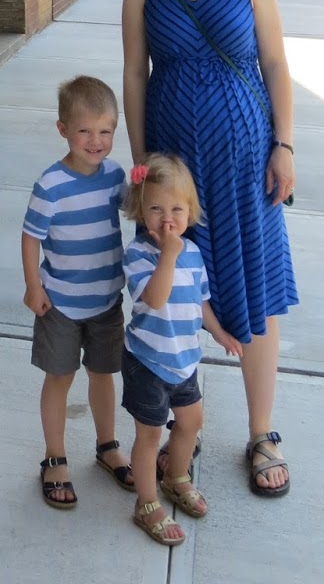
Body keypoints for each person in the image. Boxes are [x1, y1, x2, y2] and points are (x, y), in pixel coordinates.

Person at [121, 0, 297, 497]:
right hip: (174, 172)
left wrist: (284, 145)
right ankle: (179, 431)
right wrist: (140, 167)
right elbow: (134, 77)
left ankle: (261, 433)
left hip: (246, 160)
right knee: (173, 294)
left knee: (252, 286)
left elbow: (276, 64)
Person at [21, 75, 132, 508]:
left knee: (104, 374)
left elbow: (133, 207)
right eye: (85, 130)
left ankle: (107, 447)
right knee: (60, 377)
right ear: (63, 129)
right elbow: (31, 237)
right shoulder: (51, 185)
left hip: (106, 300)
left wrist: (147, 182)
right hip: (60, 302)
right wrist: (34, 285)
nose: (96, 140)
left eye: (105, 131)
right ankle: (55, 458)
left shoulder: (115, 176)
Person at [122, 154, 242, 547]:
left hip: (184, 359)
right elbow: (155, 299)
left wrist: (220, 331)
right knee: (150, 434)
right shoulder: (139, 255)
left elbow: (199, 301)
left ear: (191, 213)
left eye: (177, 208)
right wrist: (167, 256)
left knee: (191, 423)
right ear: (140, 211)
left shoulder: (192, 253)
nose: (167, 218)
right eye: (156, 208)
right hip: (148, 361)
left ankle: (176, 478)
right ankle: (146, 502)